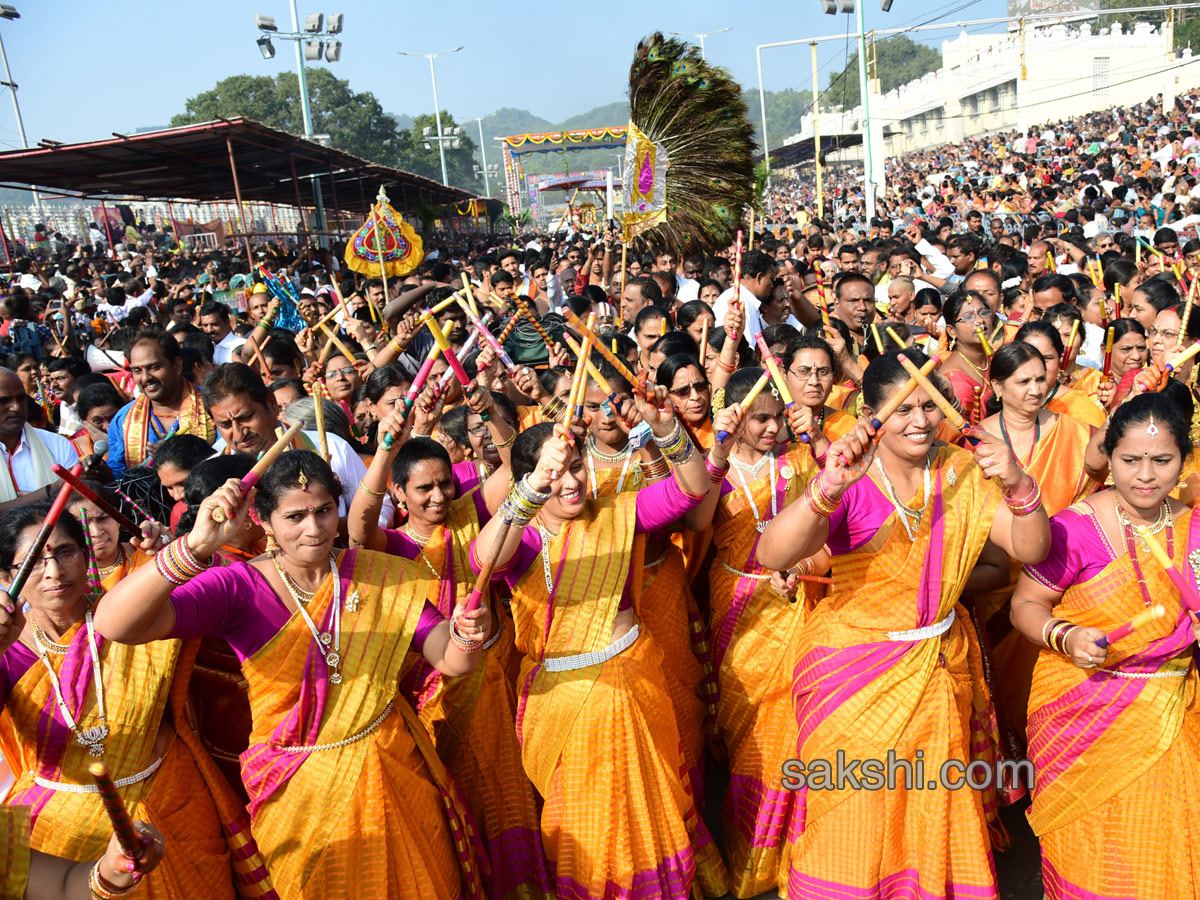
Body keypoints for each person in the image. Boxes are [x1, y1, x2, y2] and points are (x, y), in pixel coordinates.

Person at [93, 450, 491, 900]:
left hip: (394, 769)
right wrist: (195, 547)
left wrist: (467, 633)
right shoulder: (239, 587)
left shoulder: (377, 575)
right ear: (263, 520)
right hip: (295, 787)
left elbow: (453, 660)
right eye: (296, 515)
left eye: (323, 511)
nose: (314, 528)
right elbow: (115, 625)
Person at [757, 348, 1051, 900]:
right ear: (872, 414)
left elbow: (1031, 547)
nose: (920, 421)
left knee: (927, 808)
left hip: (937, 670)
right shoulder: (850, 476)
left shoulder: (963, 473)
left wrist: (1017, 483)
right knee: (854, 807)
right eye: (903, 410)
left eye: (930, 407)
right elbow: (772, 553)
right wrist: (826, 488)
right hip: (849, 677)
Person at [471, 395, 735, 900]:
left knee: (651, 805)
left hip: (633, 684)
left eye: (576, 468)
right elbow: (485, 557)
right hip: (563, 708)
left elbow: (692, 490)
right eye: (556, 474)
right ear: (530, 481)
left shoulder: (617, 512)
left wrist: (666, 429)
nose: (570, 482)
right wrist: (529, 488)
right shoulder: (521, 536)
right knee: (585, 823)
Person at [1012, 393, 1200, 899]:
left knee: (1161, 844)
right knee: (1094, 850)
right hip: (1083, 712)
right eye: (1130, 460)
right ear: (1108, 458)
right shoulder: (1075, 528)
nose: (1145, 474)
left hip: (1172, 714)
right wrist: (1066, 635)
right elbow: (1025, 605)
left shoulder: (1194, 527)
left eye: (1162, 461)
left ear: (1184, 460)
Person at [0, 504, 241, 898]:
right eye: (33, 563)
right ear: (7, 577)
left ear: (85, 555)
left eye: (65, 552)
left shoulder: (132, 614)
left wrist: (184, 550)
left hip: (172, 803)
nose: (55, 572)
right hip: (62, 826)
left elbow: (221, 591)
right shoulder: (9, 652)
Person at [348, 434, 551, 900]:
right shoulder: (390, 548)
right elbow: (358, 529)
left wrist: (491, 413)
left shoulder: (467, 517)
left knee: (511, 789)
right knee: (464, 799)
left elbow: (514, 467)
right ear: (398, 494)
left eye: (444, 484)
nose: (439, 497)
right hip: (431, 701)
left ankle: (526, 884)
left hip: (494, 678)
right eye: (424, 489)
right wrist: (383, 451)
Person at [691, 367, 824, 897]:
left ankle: (797, 853)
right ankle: (751, 853)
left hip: (800, 596)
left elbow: (832, 520)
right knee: (752, 734)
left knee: (794, 725)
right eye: (760, 418)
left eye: (778, 417)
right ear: (737, 418)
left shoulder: (798, 463)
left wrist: (805, 560)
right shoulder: (714, 470)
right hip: (737, 603)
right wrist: (717, 457)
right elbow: (698, 524)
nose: (772, 428)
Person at [202, 363, 392, 525]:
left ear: (271, 403)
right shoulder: (210, 475)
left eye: (246, 417)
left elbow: (379, 509)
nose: (238, 433)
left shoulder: (329, 446)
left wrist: (337, 528)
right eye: (225, 424)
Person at [106, 332, 215, 478]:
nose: (145, 378)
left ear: (177, 365)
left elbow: (226, 458)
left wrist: (177, 460)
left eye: (154, 367)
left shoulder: (212, 405)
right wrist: (102, 474)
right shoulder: (123, 419)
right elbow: (118, 474)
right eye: (137, 370)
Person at [0, 367, 79, 508]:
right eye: (3, 401)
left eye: (21, 398)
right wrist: (52, 490)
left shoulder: (56, 443)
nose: (16, 408)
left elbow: (75, 502)